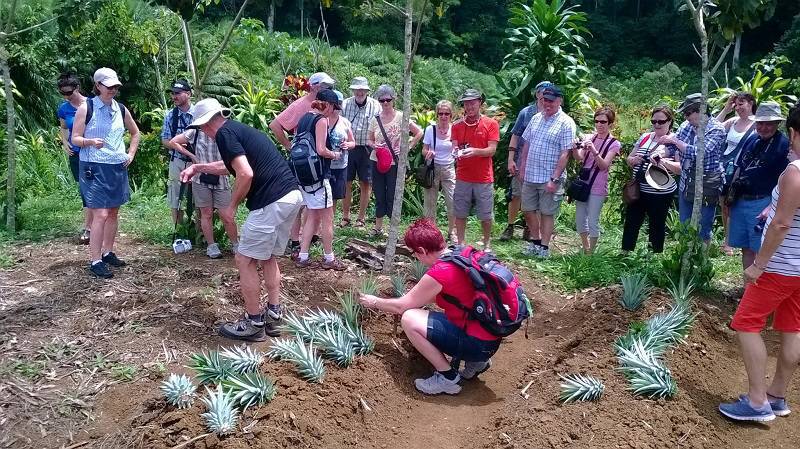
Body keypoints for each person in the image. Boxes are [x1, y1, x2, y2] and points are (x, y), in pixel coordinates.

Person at [180, 98, 303, 341]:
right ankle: (274, 317)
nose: (203, 132)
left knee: (245, 259)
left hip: (271, 200)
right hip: (291, 196)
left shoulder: (225, 135)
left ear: (204, 125)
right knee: (267, 257)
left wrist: (231, 207)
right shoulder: (237, 130)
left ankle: (254, 323)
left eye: (200, 128)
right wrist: (199, 168)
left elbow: (245, 174)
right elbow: (234, 167)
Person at [718, 102, 800, 423]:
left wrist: (759, 264)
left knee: (746, 324)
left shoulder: (795, 173)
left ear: (792, 131)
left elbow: (781, 225)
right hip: (799, 269)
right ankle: (777, 396)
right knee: (792, 328)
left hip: (779, 266)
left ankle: (756, 402)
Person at [358, 218, 503, 395]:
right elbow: (449, 296)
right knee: (429, 315)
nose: (416, 258)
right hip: (490, 338)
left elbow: (400, 308)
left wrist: (374, 301)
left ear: (422, 250)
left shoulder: (440, 271)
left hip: (477, 343)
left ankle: (448, 377)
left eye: (414, 253)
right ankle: (477, 361)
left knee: (409, 319)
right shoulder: (461, 255)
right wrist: (413, 297)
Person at [71, 67, 140, 279]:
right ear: (98, 86)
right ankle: (95, 260)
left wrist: (130, 154)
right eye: (108, 86)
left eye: (115, 86)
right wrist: (90, 141)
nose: (112, 89)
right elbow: (75, 138)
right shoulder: (87, 107)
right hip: (93, 165)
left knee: (112, 212)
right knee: (99, 214)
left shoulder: (120, 109)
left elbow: (135, 132)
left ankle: (108, 252)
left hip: (116, 165)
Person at [269, 72, 335, 254]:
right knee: (302, 204)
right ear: (313, 86)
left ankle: (306, 240)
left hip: (311, 163)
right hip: (305, 163)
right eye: (324, 86)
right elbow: (275, 125)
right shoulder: (301, 106)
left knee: (310, 207)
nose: (328, 89)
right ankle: (296, 240)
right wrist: (290, 147)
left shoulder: (318, 108)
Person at [727, 101, 789, 274]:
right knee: (746, 248)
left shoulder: (784, 145)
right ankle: (748, 289)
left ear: (777, 123)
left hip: (763, 201)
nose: (764, 127)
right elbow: (740, 166)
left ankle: (759, 288)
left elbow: (787, 181)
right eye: (761, 123)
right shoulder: (753, 139)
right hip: (742, 199)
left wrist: (772, 207)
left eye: (769, 123)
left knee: (761, 248)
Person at [660, 93, 727, 245]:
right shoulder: (686, 126)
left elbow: (700, 153)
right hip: (686, 182)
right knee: (684, 226)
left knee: (703, 229)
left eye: (689, 112)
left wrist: (675, 142)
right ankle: (685, 260)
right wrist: (660, 153)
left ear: (702, 110)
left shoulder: (717, 129)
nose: (686, 116)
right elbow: (672, 147)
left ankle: (701, 262)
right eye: (685, 113)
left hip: (707, 184)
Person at [519, 84, 577, 258]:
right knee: (527, 210)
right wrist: (522, 167)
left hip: (549, 176)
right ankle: (535, 242)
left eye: (551, 101)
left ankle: (544, 247)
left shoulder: (566, 122)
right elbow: (527, 144)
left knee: (546, 212)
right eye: (545, 100)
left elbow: (565, 153)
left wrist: (555, 178)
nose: (547, 104)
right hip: (531, 173)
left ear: (560, 101)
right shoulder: (536, 118)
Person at [168, 125, 239, 259]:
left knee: (227, 215)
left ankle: (236, 244)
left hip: (222, 178)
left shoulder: (225, 131)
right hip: (200, 178)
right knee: (206, 213)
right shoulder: (194, 131)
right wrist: (192, 156)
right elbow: (173, 142)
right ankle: (211, 245)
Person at [294, 89, 347, 270]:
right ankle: (329, 258)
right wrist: (336, 155)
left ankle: (303, 255)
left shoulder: (303, 118)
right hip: (319, 175)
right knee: (327, 217)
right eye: (333, 107)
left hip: (303, 176)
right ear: (329, 105)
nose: (333, 111)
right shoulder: (321, 120)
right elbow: (321, 149)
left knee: (312, 215)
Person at [367, 84, 423, 238]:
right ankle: (377, 227)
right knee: (379, 193)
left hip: (395, 162)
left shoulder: (401, 117)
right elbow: (369, 140)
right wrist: (374, 145)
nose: (385, 103)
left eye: (388, 100)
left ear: (393, 100)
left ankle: (393, 230)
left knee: (393, 195)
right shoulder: (375, 119)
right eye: (382, 100)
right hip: (377, 160)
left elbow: (419, 132)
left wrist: (408, 147)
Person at [500, 81, 551, 243]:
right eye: (542, 92)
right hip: (521, 160)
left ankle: (530, 229)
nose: (545, 96)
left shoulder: (553, 113)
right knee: (516, 195)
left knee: (536, 198)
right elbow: (515, 136)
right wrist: (510, 159)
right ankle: (510, 226)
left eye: (548, 92)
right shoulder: (526, 113)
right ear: (537, 94)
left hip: (541, 165)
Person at [621, 106, 678, 253]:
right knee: (631, 222)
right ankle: (625, 253)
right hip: (638, 189)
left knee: (657, 224)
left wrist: (663, 162)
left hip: (660, 192)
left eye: (661, 121)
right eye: (654, 121)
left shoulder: (675, 141)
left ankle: (654, 256)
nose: (657, 125)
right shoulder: (645, 137)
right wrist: (634, 160)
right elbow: (629, 158)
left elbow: (680, 168)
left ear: (669, 121)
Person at [451, 88, 500, 251]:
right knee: (460, 212)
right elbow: (454, 147)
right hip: (463, 175)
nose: (470, 106)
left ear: (480, 103)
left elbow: (492, 150)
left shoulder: (491, 124)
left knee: (486, 215)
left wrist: (475, 151)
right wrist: (456, 153)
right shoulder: (457, 126)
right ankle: (461, 243)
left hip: (484, 177)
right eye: (466, 103)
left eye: (473, 102)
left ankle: (487, 244)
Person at [571, 107, 621, 254]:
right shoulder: (589, 137)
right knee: (580, 219)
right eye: (597, 121)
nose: (599, 125)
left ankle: (591, 252)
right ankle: (585, 247)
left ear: (610, 124)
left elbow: (604, 165)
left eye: (603, 122)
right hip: (583, 183)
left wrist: (594, 150)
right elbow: (579, 158)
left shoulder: (614, 143)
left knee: (592, 220)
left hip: (598, 186)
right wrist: (575, 148)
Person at [718, 92, 757, 256]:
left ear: (751, 103)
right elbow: (713, 126)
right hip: (726, 170)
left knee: (736, 206)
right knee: (724, 205)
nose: (738, 107)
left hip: (744, 172)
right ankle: (727, 241)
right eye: (736, 104)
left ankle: (737, 241)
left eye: (742, 103)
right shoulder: (732, 121)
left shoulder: (757, 124)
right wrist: (726, 108)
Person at [56, 73, 91, 244]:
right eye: (62, 93)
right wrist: (64, 142)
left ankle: (93, 226)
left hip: (92, 153)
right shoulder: (63, 108)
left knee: (93, 189)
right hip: (75, 154)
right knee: (84, 190)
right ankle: (89, 226)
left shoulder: (91, 104)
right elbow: (63, 127)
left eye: (69, 92)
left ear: (77, 88)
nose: (66, 96)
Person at [342, 76, 381, 227]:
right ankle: (345, 216)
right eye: (357, 89)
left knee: (366, 183)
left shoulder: (375, 105)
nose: (360, 92)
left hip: (367, 147)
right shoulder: (345, 104)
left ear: (366, 90)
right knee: (347, 182)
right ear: (353, 90)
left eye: (362, 89)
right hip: (349, 146)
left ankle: (361, 218)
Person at [422, 100, 456, 242]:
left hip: (449, 168)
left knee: (453, 200)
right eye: (441, 113)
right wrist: (428, 153)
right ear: (437, 114)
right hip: (433, 168)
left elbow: (457, 147)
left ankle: (452, 231)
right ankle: (431, 231)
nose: (443, 116)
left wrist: (457, 152)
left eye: (446, 113)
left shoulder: (455, 129)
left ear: (451, 115)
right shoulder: (431, 129)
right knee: (430, 202)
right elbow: (423, 150)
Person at [161, 79, 195, 225]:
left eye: (178, 93)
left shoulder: (199, 114)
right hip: (177, 161)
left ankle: (201, 233)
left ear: (188, 94)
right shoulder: (170, 116)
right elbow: (165, 141)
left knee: (200, 199)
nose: (174, 96)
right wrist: (182, 146)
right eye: (173, 93)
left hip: (197, 162)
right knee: (175, 199)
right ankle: (179, 231)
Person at [327, 90, 356, 224]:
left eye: (339, 104)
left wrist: (347, 145)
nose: (336, 108)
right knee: (322, 196)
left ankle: (329, 224)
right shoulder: (322, 121)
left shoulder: (344, 122)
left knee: (334, 197)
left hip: (340, 165)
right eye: (334, 104)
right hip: (325, 165)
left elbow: (353, 142)